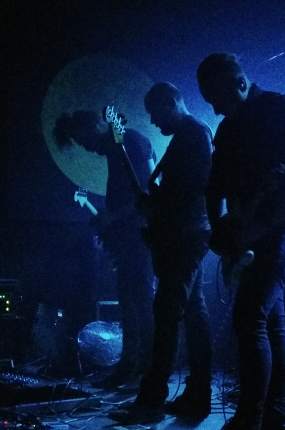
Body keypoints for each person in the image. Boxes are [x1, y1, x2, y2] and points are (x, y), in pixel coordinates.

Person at [196, 53, 285, 430]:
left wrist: (259, 226)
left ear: (240, 82)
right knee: (271, 324)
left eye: (218, 99)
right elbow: (214, 186)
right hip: (249, 231)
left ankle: (250, 419)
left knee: (249, 319)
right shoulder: (227, 129)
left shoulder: (283, 111)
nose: (215, 109)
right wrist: (221, 234)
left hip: (284, 231)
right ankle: (277, 418)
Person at [107, 82, 214, 424]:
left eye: (155, 114)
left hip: (186, 237)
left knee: (166, 315)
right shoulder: (188, 135)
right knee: (193, 314)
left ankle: (151, 401)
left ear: (171, 103)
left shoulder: (195, 134)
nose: (153, 122)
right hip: (187, 235)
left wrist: (157, 207)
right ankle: (197, 396)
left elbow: (196, 188)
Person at [54, 109, 156, 389]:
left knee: (142, 302)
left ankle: (149, 369)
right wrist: (109, 220)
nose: (86, 147)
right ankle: (130, 366)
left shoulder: (130, 141)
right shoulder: (114, 150)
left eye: (82, 139)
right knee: (130, 302)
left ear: (96, 127)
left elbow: (149, 193)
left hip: (141, 237)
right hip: (129, 238)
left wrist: (112, 217)